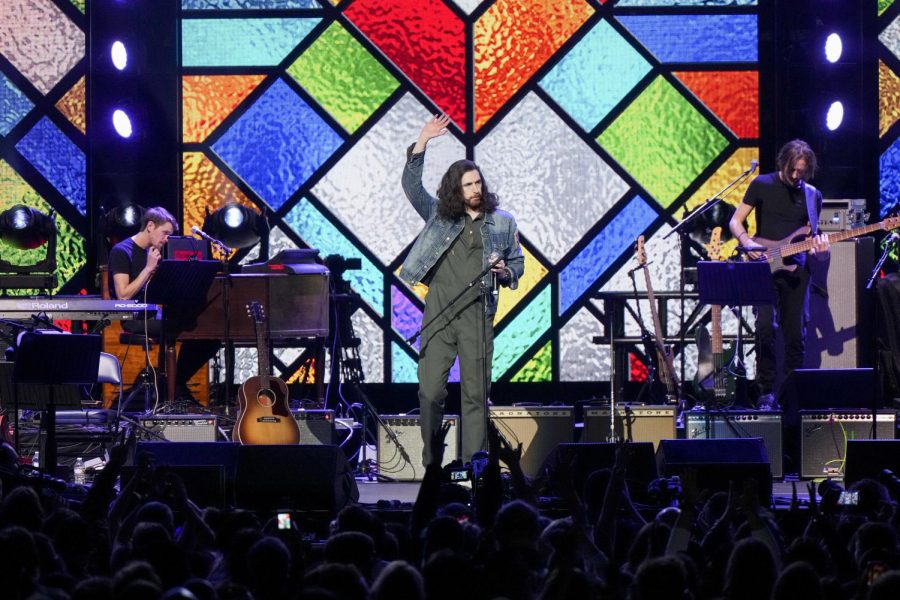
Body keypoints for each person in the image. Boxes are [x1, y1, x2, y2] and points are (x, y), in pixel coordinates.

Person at [400, 114, 525, 466]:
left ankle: (476, 467)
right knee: (430, 391)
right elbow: (412, 186)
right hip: (439, 313)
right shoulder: (439, 215)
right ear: (456, 190)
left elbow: (518, 264)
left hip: (477, 315)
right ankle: (431, 464)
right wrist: (422, 140)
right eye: (468, 185)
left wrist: (504, 271)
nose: (475, 190)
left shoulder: (502, 222)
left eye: (478, 183)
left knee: (475, 395)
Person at [729, 140, 830, 409]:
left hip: (796, 271)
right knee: (764, 329)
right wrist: (747, 242)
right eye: (792, 170)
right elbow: (735, 220)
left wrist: (821, 251)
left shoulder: (813, 195)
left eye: (802, 172)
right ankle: (765, 391)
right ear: (782, 164)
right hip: (763, 265)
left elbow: (812, 241)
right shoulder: (762, 184)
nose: (797, 176)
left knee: (796, 334)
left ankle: (789, 395)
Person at [108, 206, 218, 403]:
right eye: (164, 233)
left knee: (210, 335)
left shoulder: (157, 252)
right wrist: (149, 269)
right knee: (187, 329)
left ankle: (176, 381)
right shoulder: (121, 251)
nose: (166, 239)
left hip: (159, 312)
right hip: (134, 318)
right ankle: (175, 387)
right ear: (150, 226)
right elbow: (123, 296)